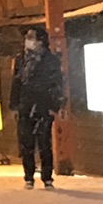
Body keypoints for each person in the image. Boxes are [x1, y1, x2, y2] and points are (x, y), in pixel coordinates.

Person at [11, 24, 67, 190]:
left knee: (44, 143)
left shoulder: (50, 60)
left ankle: (47, 177)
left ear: (41, 41)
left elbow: (57, 83)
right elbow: (16, 83)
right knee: (26, 143)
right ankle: (28, 177)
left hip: (43, 106)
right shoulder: (21, 59)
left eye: (31, 37)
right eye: (27, 37)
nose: (28, 41)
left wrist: (55, 105)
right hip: (25, 105)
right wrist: (15, 105)